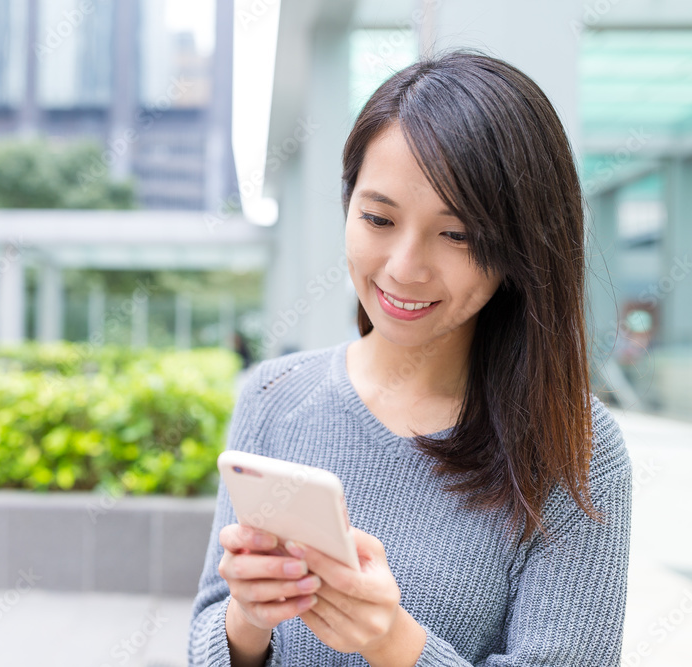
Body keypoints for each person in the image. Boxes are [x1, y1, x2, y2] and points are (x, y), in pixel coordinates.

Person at [187, 49, 632, 666]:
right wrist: (248, 615)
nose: (403, 268)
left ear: (520, 250)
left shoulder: (576, 444)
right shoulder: (274, 395)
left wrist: (391, 642)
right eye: (378, 218)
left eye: (458, 235)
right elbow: (213, 622)